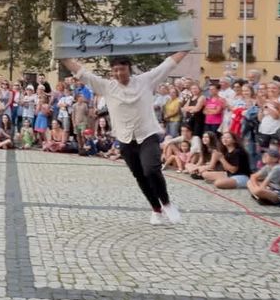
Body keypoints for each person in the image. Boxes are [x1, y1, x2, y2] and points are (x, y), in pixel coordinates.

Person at [62, 51, 189, 225]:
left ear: (129, 69)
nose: (118, 74)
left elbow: (167, 65)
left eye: (122, 69)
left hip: (147, 135)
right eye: (115, 70)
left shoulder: (146, 80)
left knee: (151, 170)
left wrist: (186, 49)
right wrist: (63, 57)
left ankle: (166, 203)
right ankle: (156, 209)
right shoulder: (107, 86)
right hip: (125, 139)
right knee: (140, 176)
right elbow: (83, 73)